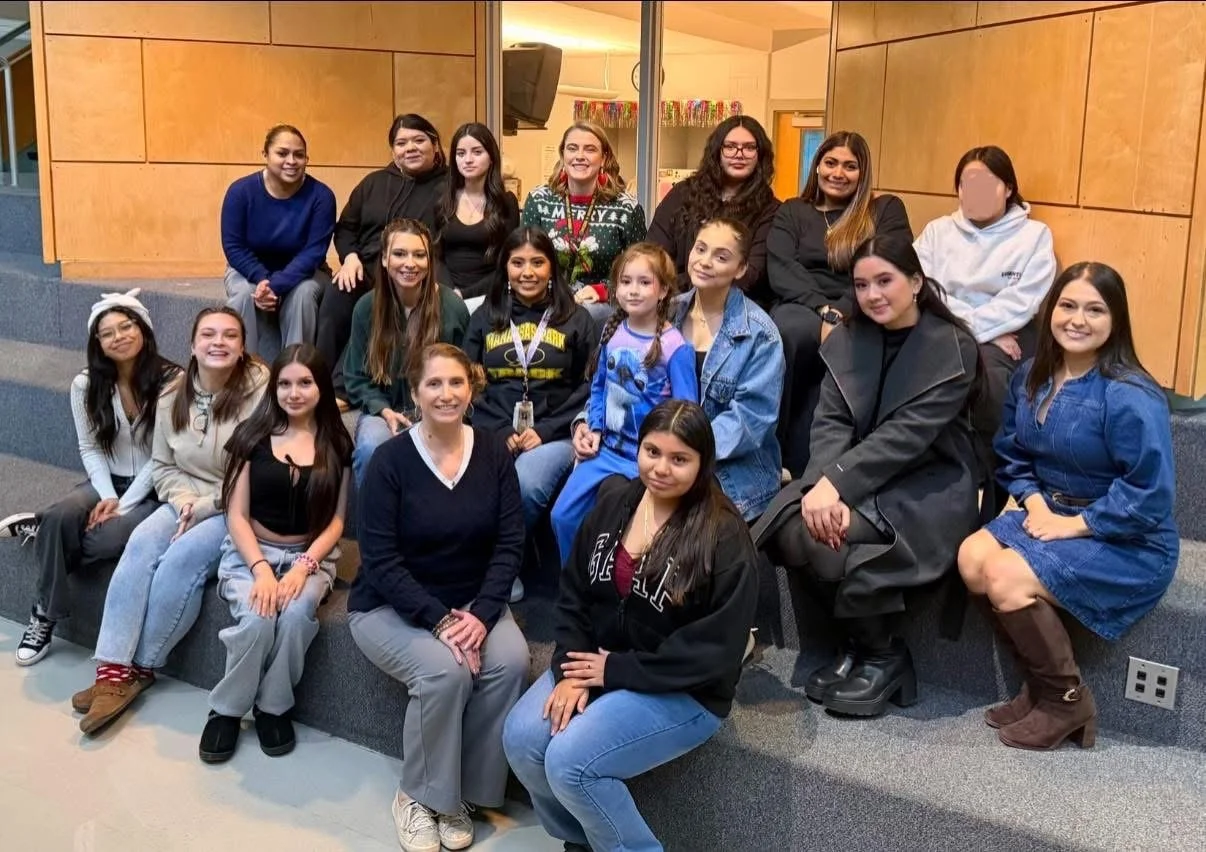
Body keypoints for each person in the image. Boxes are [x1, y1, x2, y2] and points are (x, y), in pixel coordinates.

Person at [503, 400, 758, 852]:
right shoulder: (616, 501)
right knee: (521, 739)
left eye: (679, 459)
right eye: (652, 451)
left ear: (702, 464)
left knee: (570, 763)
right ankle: (582, 842)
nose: (661, 468)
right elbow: (574, 594)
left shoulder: (723, 535)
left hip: (683, 688)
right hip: (600, 663)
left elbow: (715, 653)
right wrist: (569, 670)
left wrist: (615, 671)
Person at [753, 234, 981, 718]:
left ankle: (884, 654)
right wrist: (822, 485)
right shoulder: (850, 338)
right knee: (792, 529)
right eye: (861, 285)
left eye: (885, 281)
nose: (872, 294)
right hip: (853, 476)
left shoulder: (952, 346)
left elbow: (905, 438)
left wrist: (837, 484)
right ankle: (856, 644)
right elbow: (830, 422)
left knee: (823, 539)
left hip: (928, 485)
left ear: (915, 282)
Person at [957, 262, 1178, 751]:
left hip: (1127, 536)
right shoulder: (1031, 375)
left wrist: (1074, 525)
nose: (1078, 320)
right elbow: (1012, 454)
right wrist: (1036, 505)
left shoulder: (1130, 394)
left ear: (1115, 320)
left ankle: (1066, 700)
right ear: (1050, 310)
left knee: (1005, 576)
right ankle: (1040, 683)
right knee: (972, 559)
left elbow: (1150, 494)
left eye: (1095, 310)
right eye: (1068, 305)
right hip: (1051, 512)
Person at [349, 343, 528, 852]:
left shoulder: (494, 452)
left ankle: (459, 795)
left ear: (470, 390)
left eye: (455, 382)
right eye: (434, 384)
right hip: (391, 604)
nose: (446, 394)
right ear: (415, 392)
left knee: (511, 661)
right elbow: (380, 561)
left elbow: (510, 543)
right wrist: (440, 621)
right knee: (444, 672)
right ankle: (416, 794)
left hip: (473, 599)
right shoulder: (389, 461)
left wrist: (483, 614)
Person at [74, 308, 269, 735]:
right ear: (193, 345)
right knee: (141, 542)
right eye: (208, 335)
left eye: (230, 336)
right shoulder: (171, 396)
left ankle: (140, 668)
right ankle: (111, 669)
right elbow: (162, 465)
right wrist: (183, 502)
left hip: (234, 507)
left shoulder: (261, 393)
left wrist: (205, 507)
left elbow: (262, 471)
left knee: (181, 559)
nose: (218, 343)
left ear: (242, 348)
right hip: (182, 500)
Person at [199, 343, 352, 763]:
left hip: (310, 555)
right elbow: (236, 515)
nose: (294, 393)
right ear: (274, 389)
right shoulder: (251, 437)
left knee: (297, 615)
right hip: (252, 552)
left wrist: (304, 567)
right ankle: (227, 709)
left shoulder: (337, 442)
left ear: (321, 387)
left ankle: (273, 706)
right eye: (284, 384)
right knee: (258, 617)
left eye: (305, 383)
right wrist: (262, 569)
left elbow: (337, 522)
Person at [10, 290, 180, 666]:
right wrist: (107, 495)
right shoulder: (85, 384)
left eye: (126, 326)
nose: (119, 336)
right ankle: (44, 613)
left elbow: (163, 455)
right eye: (107, 333)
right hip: (105, 481)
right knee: (61, 515)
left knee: (107, 538)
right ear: (97, 343)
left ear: (143, 329)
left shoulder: (172, 380)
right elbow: (89, 448)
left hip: (153, 487)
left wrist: (124, 505)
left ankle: (47, 535)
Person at [766, 130, 913, 477]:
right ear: (817, 166)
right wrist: (823, 309)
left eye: (850, 166)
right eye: (830, 163)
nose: (838, 173)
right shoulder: (793, 210)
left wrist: (844, 309)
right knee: (790, 332)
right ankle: (772, 452)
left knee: (848, 342)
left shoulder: (884, 210)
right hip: (802, 303)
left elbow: (889, 264)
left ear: (863, 173)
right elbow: (781, 265)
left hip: (863, 303)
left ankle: (821, 464)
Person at [464, 226, 596, 599]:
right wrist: (499, 429)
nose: (528, 272)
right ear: (505, 267)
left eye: (537, 262)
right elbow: (467, 381)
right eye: (518, 262)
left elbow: (589, 386)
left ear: (551, 267)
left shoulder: (576, 319)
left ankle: (503, 565)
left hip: (556, 432)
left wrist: (549, 429)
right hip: (492, 425)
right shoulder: (486, 316)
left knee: (525, 482)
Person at [914, 145, 1057, 485]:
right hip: (950, 324)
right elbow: (922, 286)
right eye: (968, 184)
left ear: (1008, 188)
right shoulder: (937, 231)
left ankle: (988, 477)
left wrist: (981, 331)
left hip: (1011, 330)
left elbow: (1023, 301)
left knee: (987, 373)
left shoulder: (1034, 236)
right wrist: (977, 330)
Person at [551, 242, 698, 563]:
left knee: (625, 535)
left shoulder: (675, 347)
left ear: (663, 291)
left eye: (644, 282)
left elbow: (686, 415)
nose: (633, 290)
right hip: (605, 452)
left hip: (644, 461)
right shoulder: (612, 329)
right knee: (562, 516)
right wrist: (594, 427)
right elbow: (599, 387)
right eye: (626, 281)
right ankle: (574, 582)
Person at [321, 114, 449, 403]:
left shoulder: (449, 186)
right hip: (364, 266)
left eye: (419, 140)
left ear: (435, 144)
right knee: (336, 297)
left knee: (375, 307)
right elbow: (346, 228)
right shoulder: (373, 183)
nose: (410, 148)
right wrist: (349, 257)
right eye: (401, 143)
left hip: (409, 271)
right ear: (393, 150)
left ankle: (342, 387)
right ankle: (319, 380)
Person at [672, 218, 784, 523]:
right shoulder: (666, 311)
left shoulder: (760, 333)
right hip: (667, 454)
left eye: (721, 257)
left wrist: (685, 450)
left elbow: (751, 419)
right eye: (700, 249)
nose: (705, 262)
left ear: (740, 268)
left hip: (731, 470)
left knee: (678, 518)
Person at [343, 218, 470, 487]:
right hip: (383, 410)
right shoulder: (366, 308)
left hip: (440, 410)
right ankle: (374, 515)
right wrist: (383, 410)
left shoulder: (453, 308)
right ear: (385, 259)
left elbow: (467, 374)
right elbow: (355, 377)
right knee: (371, 447)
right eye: (400, 254)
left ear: (430, 261)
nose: (410, 263)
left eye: (419, 255)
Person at [221, 125, 336, 360]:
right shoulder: (240, 192)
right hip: (247, 270)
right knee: (243, 294)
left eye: (299, 155)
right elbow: (234, 247)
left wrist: (276, 286)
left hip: (306, 273)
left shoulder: (321, 196)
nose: (291, 161)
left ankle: (295, 366)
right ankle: (243, 368)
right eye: (282, 153)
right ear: (265, 154)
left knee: (304, 295)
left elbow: (314, 252)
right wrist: (262, 279)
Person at [521, 122, 647, 325]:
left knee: (583, 315)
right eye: (572, 148)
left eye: (590, 149)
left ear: (603, 158)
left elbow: (642, 268)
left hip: (601, 304)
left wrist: (604, 290)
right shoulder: (538, 200)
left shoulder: (626, 208)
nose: (580, 156)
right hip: (546, 297)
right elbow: (523, 258)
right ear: (563, 155)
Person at [648, 115, 781, 305]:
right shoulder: (683, 194)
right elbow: (654, 253)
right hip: (672, 297)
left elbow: (752, 274)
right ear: (717, 151)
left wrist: (696, 280)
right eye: (730, 146)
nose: (739, 154)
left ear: (761, 155)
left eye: (749, 147)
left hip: (735, 304)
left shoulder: (770, 209)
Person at [434, 122, 520, 305]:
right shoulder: (442, 196)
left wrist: (465, 294)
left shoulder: (506, 202)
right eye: (461, 153)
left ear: (491, 157)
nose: (468, 160)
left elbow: (508, 262)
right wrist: (451, 293)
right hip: (445, 294)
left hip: (490, 296)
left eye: (477, 152)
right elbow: (435, 255)